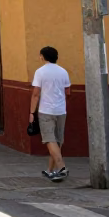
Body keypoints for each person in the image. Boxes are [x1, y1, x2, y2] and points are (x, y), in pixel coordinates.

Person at [31, 45, 71, 181]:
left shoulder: (40, 72)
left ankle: (61, 167)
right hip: (61, 110)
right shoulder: (63, 71)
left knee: (49, 139)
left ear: (43, 56)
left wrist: (32, 112)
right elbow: (68, 92)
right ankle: (51, 170)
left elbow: (36, 94)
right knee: (57, 140)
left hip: (46, 110)